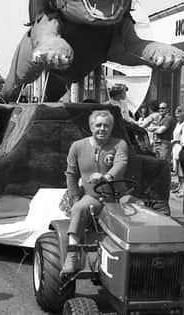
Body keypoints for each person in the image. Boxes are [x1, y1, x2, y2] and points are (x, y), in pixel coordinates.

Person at [60, 110, 128, 275]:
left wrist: (106, 177)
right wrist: (76, 197)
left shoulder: (119, 144)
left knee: (138, 213)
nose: (102, 129)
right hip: (94, 197)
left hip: (118, 198)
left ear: (111, 128)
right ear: (91, 127)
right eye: (98, 125)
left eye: (106, 125)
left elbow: (120, 164)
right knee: (79, 208)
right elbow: (71, 175)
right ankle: (72, 255)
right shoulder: (77, 146)